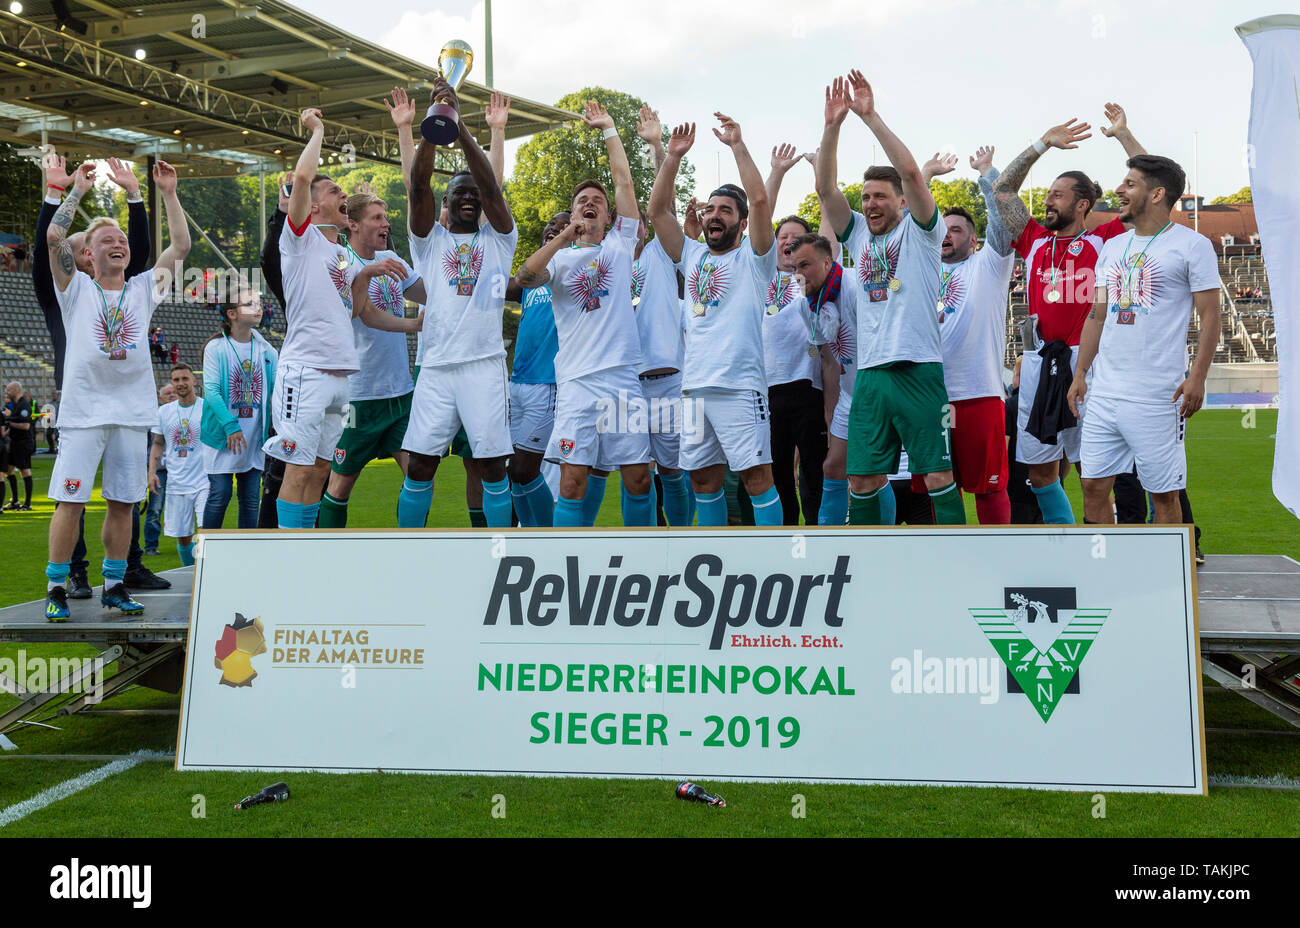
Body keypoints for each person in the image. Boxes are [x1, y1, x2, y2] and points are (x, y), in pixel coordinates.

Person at [42, 158, 191, 621]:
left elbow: (181, 245)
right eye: (107, 239)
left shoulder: (145, 287)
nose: (118, 244)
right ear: (87, 254)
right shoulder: (75, 288)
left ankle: (113, 584)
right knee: (71, 500)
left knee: (124, 502)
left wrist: (165, 192)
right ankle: (57, 586)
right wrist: (77, 192)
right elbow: (52, 238)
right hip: (84, 412)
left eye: (122, 240)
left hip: (131, 412)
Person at [815, 71, 962, 525]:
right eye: (866, 197)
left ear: (901, 201)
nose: (871, 204)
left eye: (881, 196)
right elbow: (825, 190)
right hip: (872, 376)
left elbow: (915, 174)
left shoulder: (922, 231)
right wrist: (833, 125)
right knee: (860, 479)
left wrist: (870, 117)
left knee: (936, 475)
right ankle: (865, 567)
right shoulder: (858, 234)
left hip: (918, 368)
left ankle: (958, 563)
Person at [992, 103, 1145, 523]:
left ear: (1082, 205)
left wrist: (1125, 138)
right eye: (1048, 193)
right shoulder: (1035, 240)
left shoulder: (1107, 239)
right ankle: (1065, 539)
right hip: (1042, 362)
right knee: (1040, 472)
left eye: (1058, 195)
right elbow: (1002, 190)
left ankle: (1102, 549)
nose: (1047, 200)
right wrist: (1042, 144)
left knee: (1093, 472)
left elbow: (1150, 196)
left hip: (1088, 361)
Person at [266, 106, 417, 529]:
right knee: (297, 470)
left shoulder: (340, 255)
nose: (342, 195)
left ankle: (310, 551)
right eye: (333, 191)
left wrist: (412, 323)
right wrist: (318, 132)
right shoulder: (299, 240)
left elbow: (361, 311)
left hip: (339, 377)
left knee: (318, 470)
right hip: (306, 371)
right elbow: (301, 179)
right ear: (312, 208)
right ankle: (290, 558)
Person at [516, 101, 655, 528]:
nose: (591, 203)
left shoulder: (618, 245)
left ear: (610, 216)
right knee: (572, 482)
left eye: (597, 200)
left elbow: (624, 182)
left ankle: (644, 563)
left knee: (637, 479)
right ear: (573, 213)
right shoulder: (558, 261)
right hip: (576, 382)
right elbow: (525, 276)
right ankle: (567, 564)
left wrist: (610, 129)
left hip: (620, 378)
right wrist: (562, 238)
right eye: (582, 201)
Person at [1068, 154, 1220, 526]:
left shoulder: (1191, 245)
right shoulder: (1114, 247)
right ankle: (1105, 570)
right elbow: (1097, 315)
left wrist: (1197, 377)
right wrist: (1081, 373)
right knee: (1092, 484)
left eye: (1130, 184)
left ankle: (1165, 579)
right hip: (1104, 390)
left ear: (1157, 194)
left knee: (1164, 493)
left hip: (1156, 393)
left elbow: (1211, 315)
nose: (1120, 190)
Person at [647, 114, 783, 526]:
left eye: (726, 210)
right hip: (694, 387)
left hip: (739, 386)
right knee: (702, 480)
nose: (714, 215)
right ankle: (714, 559)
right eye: (710, 209)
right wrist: (671, 158)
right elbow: (657, 211)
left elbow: (759, 201)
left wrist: (738, 146)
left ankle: (773, 562)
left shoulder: (755, 258)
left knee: (757, 478)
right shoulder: (692, 255)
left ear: (742, 223)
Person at [397, 79, 516, 528]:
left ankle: (501, 557)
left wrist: (458, 124)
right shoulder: (429, 242)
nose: (469, 197)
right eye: (458, 194)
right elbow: (419, 185)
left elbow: (489, 182)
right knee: (421, 466)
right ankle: (411, 551)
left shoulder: (501, 239)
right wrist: (434, 123)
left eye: (475, 195)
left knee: (492, 467)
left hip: (484, 365)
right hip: (437, 368)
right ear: (445, 205)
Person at [318, 188, 425, 528]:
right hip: (358, 396)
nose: (386, 224)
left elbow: (432, 294)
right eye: (377, 218)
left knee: (420, 475)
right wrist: (415, 324)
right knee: (340, 484)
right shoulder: (341, 263)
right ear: (353, 224)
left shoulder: (395, 261)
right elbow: (359, 314)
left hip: (399, 394)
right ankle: (327, 556)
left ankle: (412, 551)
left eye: (386, 217)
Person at [932, 146, 1017, 524]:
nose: (947, 235)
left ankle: (998, 560)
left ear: (974, 240)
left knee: (989, 486)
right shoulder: (922, 271)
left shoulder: (989, 266)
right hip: (932, 399)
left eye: (957, 230)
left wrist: (987, 175)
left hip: (978, 393)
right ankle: (949, 562)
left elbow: (1002, 223)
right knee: (938, 484)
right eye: (943, 230)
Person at [630, 105, 692, 526]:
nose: (635, 219)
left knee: (674, 471)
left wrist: (658, 147)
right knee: (634, 476)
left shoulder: (659, 252)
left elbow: (664, 206)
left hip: (670, 383)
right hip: (624, 386)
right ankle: (638, 554)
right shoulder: (606, 262)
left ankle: (683, 544)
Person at [504, 211, 567, 527]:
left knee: (527, 469)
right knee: (513, 472)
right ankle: (522, 536)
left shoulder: (570, 272)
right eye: (550, 224)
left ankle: (547, 536)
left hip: (549, 382)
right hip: (518, 382)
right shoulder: (532, 279)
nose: (554, 228)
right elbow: (496, 287)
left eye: (562, 225)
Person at [201, 291, 277, 529]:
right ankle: (207, 553)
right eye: (249, 304)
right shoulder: (216, 348)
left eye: (258, 303)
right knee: (220, 495)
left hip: (253, 438)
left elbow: (275, 394)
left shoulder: (268, 351)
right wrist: (230, 426)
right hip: (223, 434)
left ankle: (247, 556)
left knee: (250, 500)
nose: (258, 307)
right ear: (232, 314)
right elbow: (211, 391)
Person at [148, 364, 205, 565]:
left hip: (204, 480)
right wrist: (152, 472)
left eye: (184, 379)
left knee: (206, 531)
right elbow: (158, 443)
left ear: (194, 381)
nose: (181, 383)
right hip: (177, 481)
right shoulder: (164, 412)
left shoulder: (206, 407)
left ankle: (205, 574)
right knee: (182, 534)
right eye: (176, 380)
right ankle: (190, 572)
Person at [143, 383, 176, 553]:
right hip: (161, 470)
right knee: (155, 508)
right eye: (167, 393)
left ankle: (186, 543)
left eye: (173, 392)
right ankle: (150, 546)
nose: (171, 395)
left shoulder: (184, 413)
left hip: (181, 469)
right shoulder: (154, 417)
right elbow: (150, 444)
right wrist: (151, 470)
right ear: (159, 397)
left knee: (186, 506)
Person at [3, 381, 34, 510]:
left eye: (8, 390)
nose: (6, 392)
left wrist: (9, 423)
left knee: (24, 471)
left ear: (16, 390)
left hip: (23, 443)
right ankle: (15, 501)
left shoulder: (23, 405)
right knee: (8, 471)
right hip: (14, 443)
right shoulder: (15, 405)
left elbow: (26, 426)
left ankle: (27, 504)